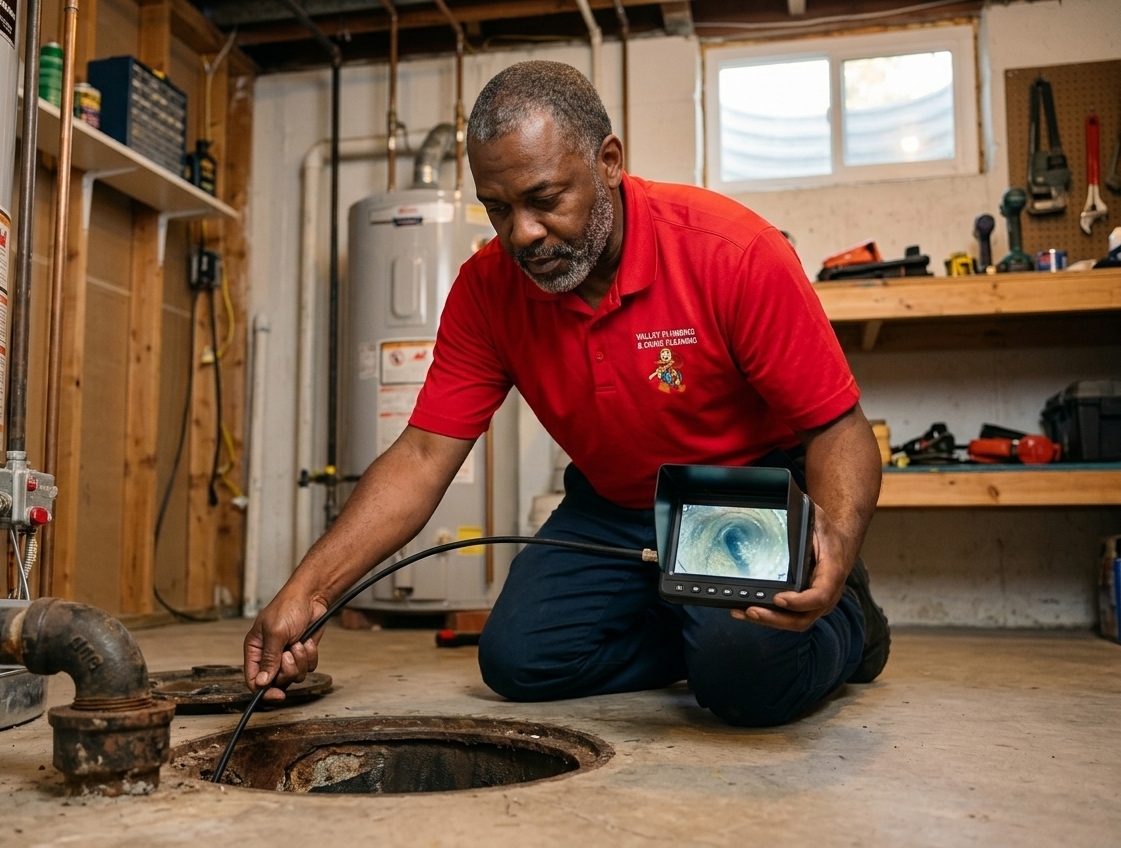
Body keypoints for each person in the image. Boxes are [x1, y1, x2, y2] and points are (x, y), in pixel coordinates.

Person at [244, 60, 889, 727]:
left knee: (747, 683)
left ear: (608, 161)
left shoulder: (731, 252)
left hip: (737, 494)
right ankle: (699, 631)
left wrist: (836, 546)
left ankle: (851, 626)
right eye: (498, 208)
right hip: (611, 504)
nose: (521, 231)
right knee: (520, 664)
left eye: (544, 198)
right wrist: (307, 591)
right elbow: (423, 455)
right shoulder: (486, 289)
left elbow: (838, 430)